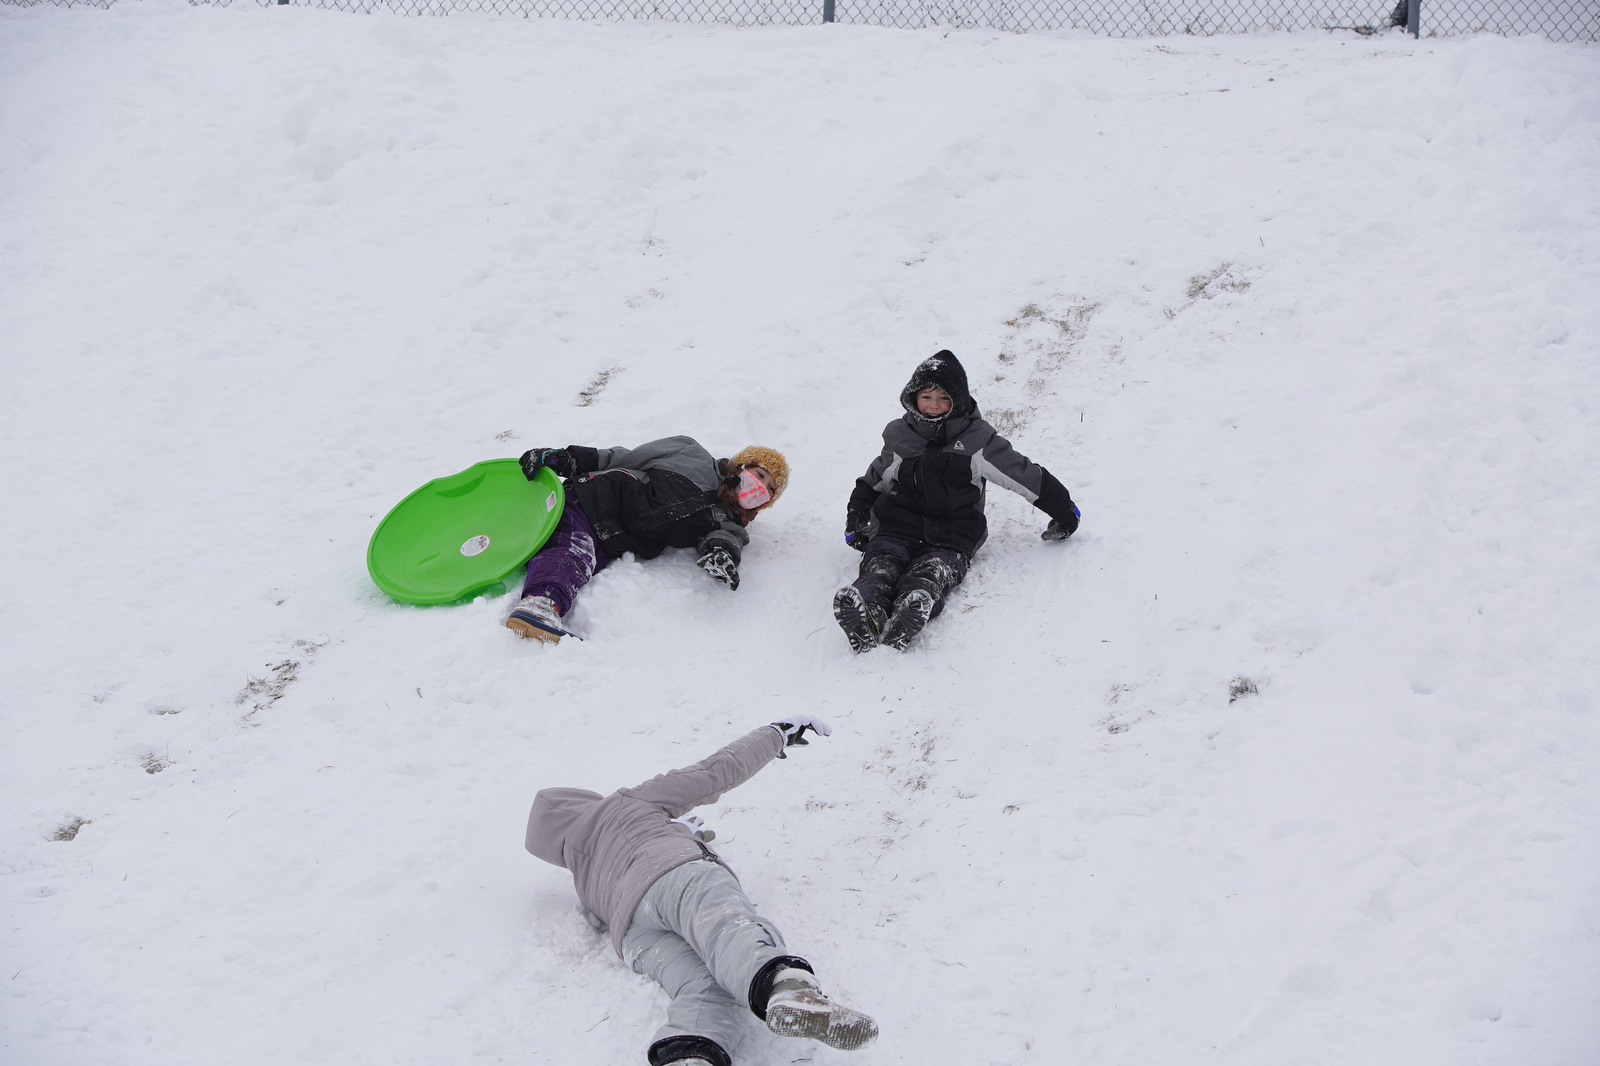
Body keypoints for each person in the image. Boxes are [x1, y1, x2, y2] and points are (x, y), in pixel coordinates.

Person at [524, 717, 878, 1066]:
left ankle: (691, 1055)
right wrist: (774, 736)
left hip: (635, 936)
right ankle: (787, 989)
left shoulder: (582, 875)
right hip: (673, 876)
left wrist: (679, 830)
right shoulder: (626, 804)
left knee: (705, 987)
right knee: (725, 928)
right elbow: (714, 771)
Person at [832, 349, 1081, 652]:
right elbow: (873, 480)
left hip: (953, 532)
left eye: (943, 398)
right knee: (882, 564)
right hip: (897, 524)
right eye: (926, 397)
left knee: (933, 569)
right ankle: (868, 611)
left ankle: (913, 608)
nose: (933, 406)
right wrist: (857, 516)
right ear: (913, 398)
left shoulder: (977, 440)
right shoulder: (901, 436)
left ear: (958, 401)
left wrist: (1063, 508)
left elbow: (1022, 473)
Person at [505, 437, 789, 641]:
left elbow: (726, 540)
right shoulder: (690, 452)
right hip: (593, 500)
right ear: (741, 465)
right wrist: (569, 459)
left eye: (769, 488)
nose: (760, 487)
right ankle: (539, 604)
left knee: (583, 563)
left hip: (616, 540)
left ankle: (545, 604)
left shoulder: (730, 523)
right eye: (759, 474)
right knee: (571, 551)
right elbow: (622, 457)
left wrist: (722, 556)